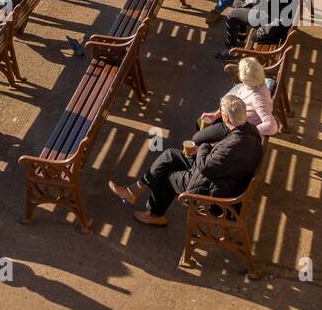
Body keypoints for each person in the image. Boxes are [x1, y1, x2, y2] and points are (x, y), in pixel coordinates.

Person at [108, 94, 263, 225]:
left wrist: (203, 146)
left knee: (168, 175)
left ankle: (155, 215)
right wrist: (210, 147)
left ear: (225, 117)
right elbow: (223, 155)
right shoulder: (248, 130)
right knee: (171, 155)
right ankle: (134, 190)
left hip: (213, 190)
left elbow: (205, 167)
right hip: (222, 177)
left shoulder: (234, 145)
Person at [193, 56, 278, 142]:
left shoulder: (258, 99)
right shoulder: (254, 84)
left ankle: (197, 152)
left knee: (197, 139)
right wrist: (216, 115)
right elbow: (234, 99)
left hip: (235, 126)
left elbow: (272, 126)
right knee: (200, 122)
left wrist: (247, 132)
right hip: (231, 115)